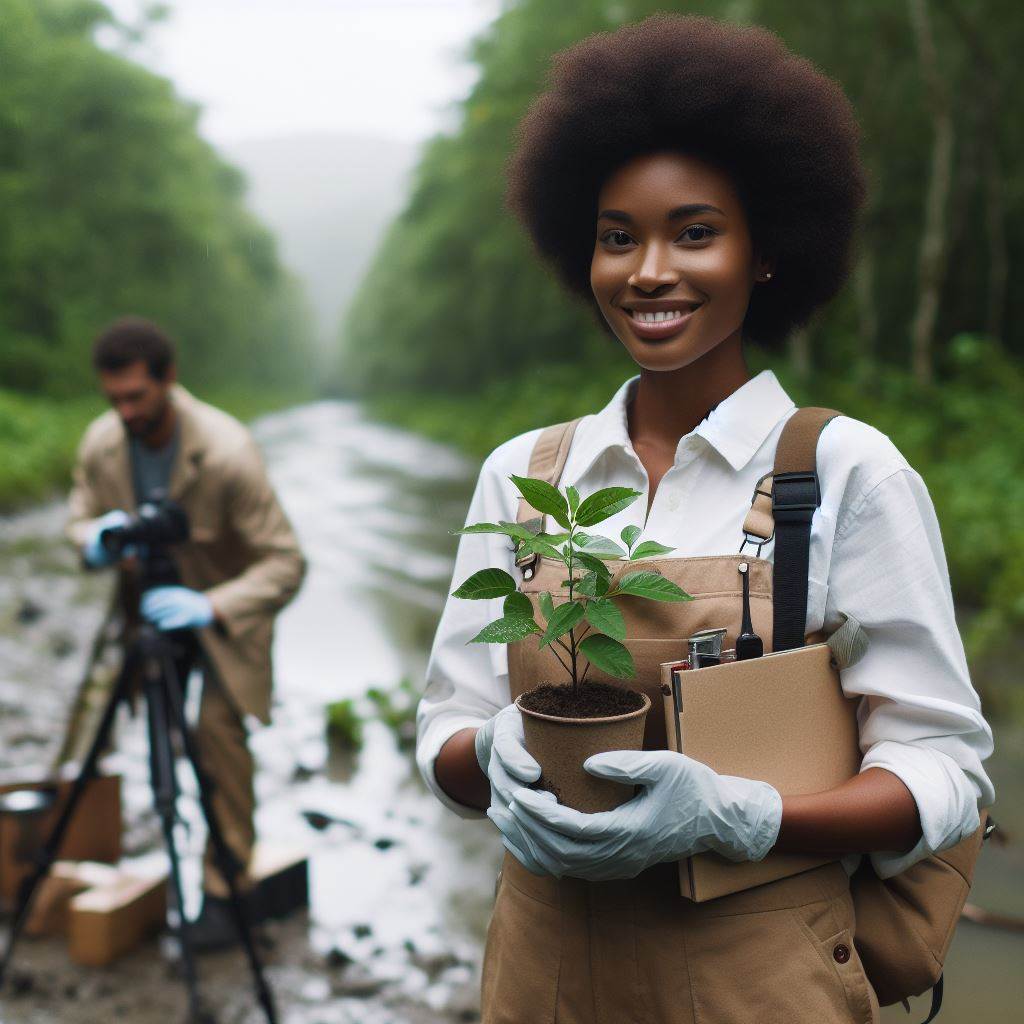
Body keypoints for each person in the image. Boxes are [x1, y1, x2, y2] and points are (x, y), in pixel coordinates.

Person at [416, 15, 994, 1023]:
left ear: (764, 251)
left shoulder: (844, 471)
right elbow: (446, 733)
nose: (647, 271)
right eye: (616, 237)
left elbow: (943, 771)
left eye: (694, 231)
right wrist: (494, 756)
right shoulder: (523, 474)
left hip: (762, 981)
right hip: (542, 976)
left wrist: (741, 815)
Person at [66, 316, 306, 949]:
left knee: (217, 736)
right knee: (157, 737)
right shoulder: (103, 443)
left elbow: (286, 562)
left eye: (137, 397)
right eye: (113, 399)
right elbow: (81, 516)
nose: (125, 412)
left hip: (224, 615)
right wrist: (92, 542)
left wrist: (211, 606)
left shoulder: (227, 452)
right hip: (147, 612)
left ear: (168, 380)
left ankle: (227, 894)